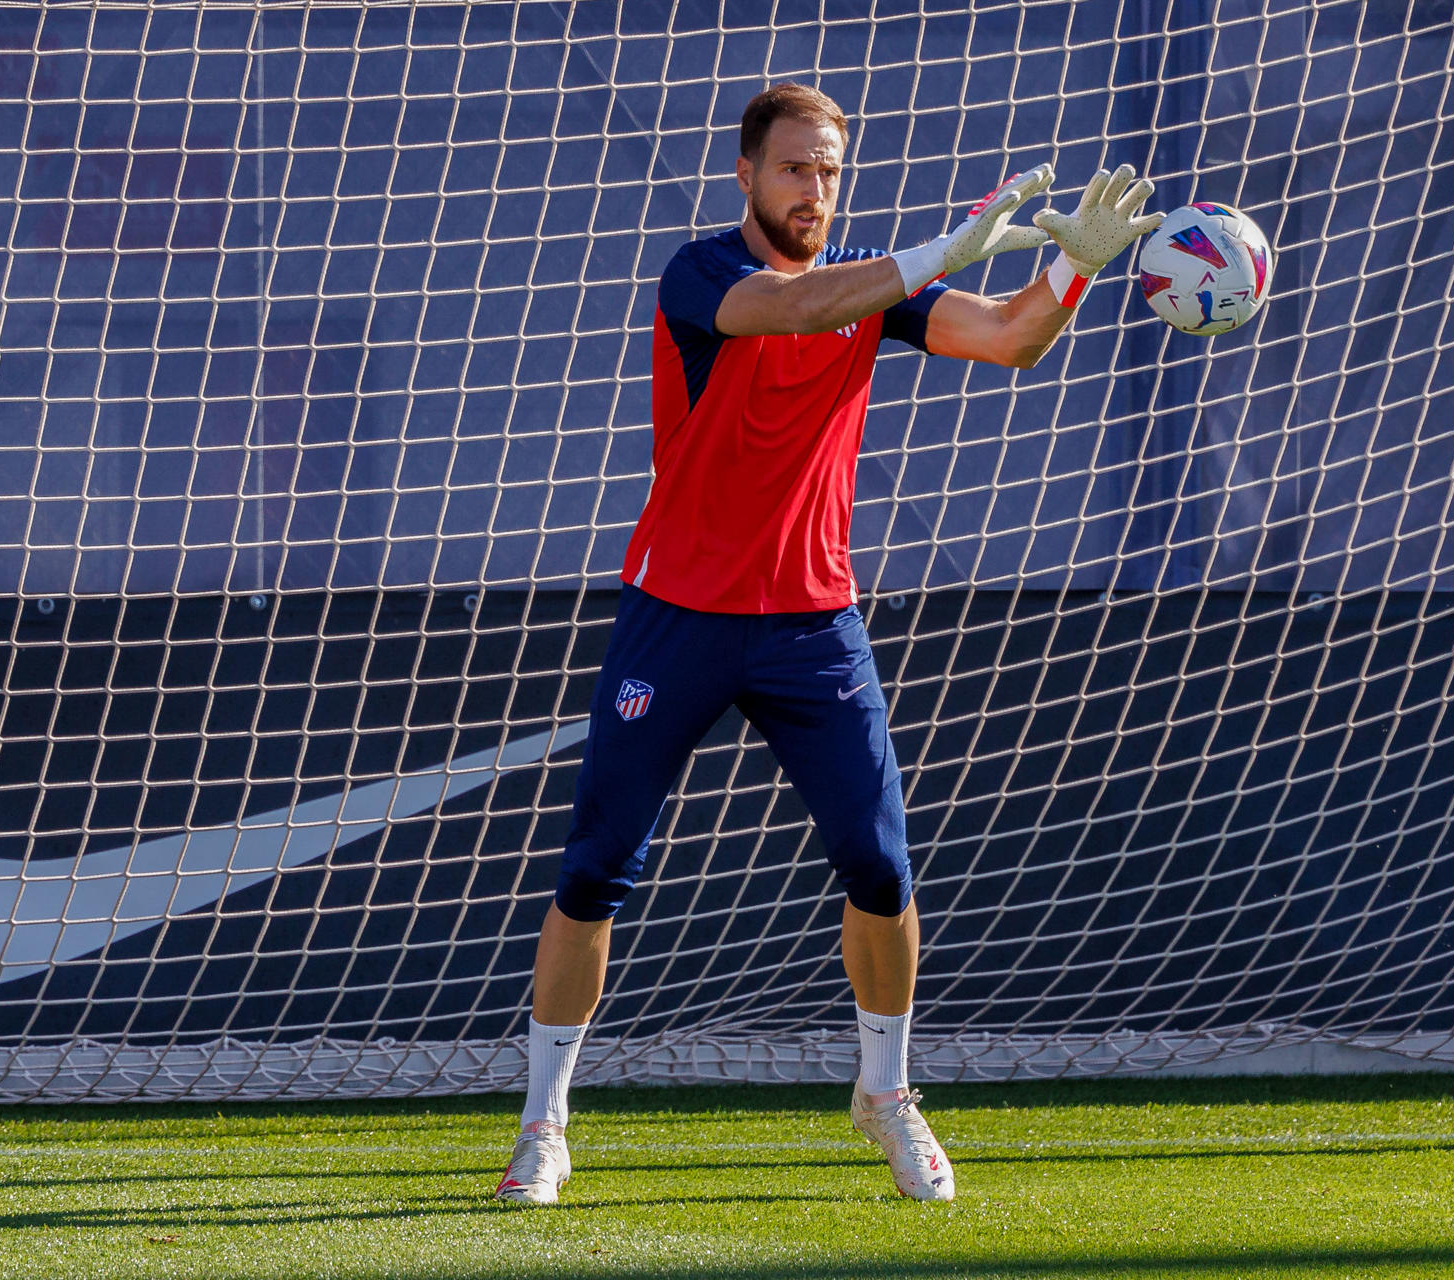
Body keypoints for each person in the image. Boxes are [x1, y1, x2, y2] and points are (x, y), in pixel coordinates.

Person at [495, 82, 1161, 1205]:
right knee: (596, 866)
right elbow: (789, 311)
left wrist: (1074, 267)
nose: (815, 189)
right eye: (796, 168)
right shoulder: (702, 274)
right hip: (682, 611)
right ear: (748, 175)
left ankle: (886, 1094)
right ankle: (544, 1124)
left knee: (880, 861)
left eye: (830, 171)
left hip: (813, 620)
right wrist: (945, 244)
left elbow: (1006, 339)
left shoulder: (872, 284)